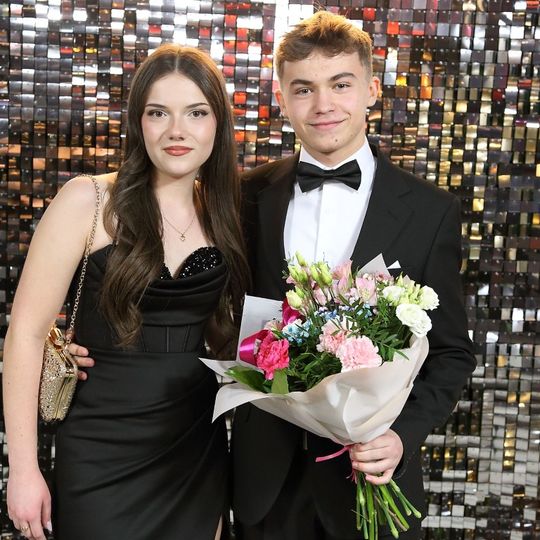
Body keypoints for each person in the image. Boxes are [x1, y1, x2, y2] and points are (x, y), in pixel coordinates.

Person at [232, 11, 476, 539]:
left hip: (372, 481)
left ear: (371, 90)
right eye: (304, 89)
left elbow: (452, 352)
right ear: (281, 98)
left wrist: (402, 436)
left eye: (341, 84)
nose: (323, 104)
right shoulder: (245, 197)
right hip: (264, 488)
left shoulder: (430, 211)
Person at [3, 44, 249, 540]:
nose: (177, 130)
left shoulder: (225, 211)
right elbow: (25, 334)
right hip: (100, 449)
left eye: (196, 113)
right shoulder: (89, 200)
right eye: (159, 113)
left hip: (194, 450)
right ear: (138, 123)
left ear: (218, 125)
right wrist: (24, 469)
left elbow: (228, 334)